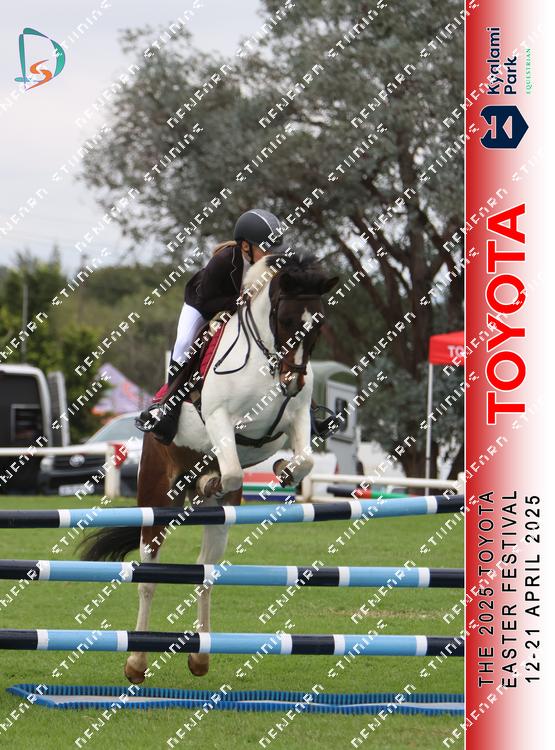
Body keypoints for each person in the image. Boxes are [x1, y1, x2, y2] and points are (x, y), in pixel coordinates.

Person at [136, 208, 337, 444]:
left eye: (275, 249)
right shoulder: (224, 260)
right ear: (245, 247)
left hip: (241, 310)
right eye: (266, 248)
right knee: (184, 344)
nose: (272, 254)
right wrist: (241, 302)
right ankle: (167, 409)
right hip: (203, 306)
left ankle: (310, 414)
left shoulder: (275, 262)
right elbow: (206, 300)